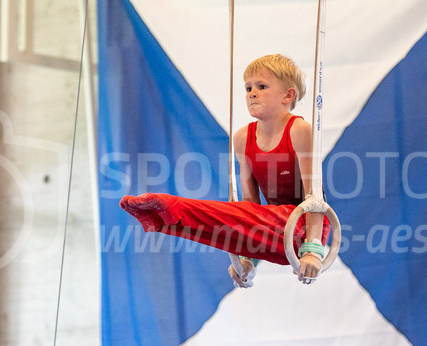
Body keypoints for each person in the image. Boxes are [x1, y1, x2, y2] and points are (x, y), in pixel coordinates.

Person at [119, 54, 327, 287]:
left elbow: (314, 197)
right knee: (224, 222)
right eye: (248, 88)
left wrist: (313, 249)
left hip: (305, 226)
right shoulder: (242, 138)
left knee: (232, 214)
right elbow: (250, 205)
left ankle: (170, 206)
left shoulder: (299, 130)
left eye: (261, 86)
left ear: (288, 96)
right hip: (270, 230)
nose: (252, 93)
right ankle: (164, 221)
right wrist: (248, 260)